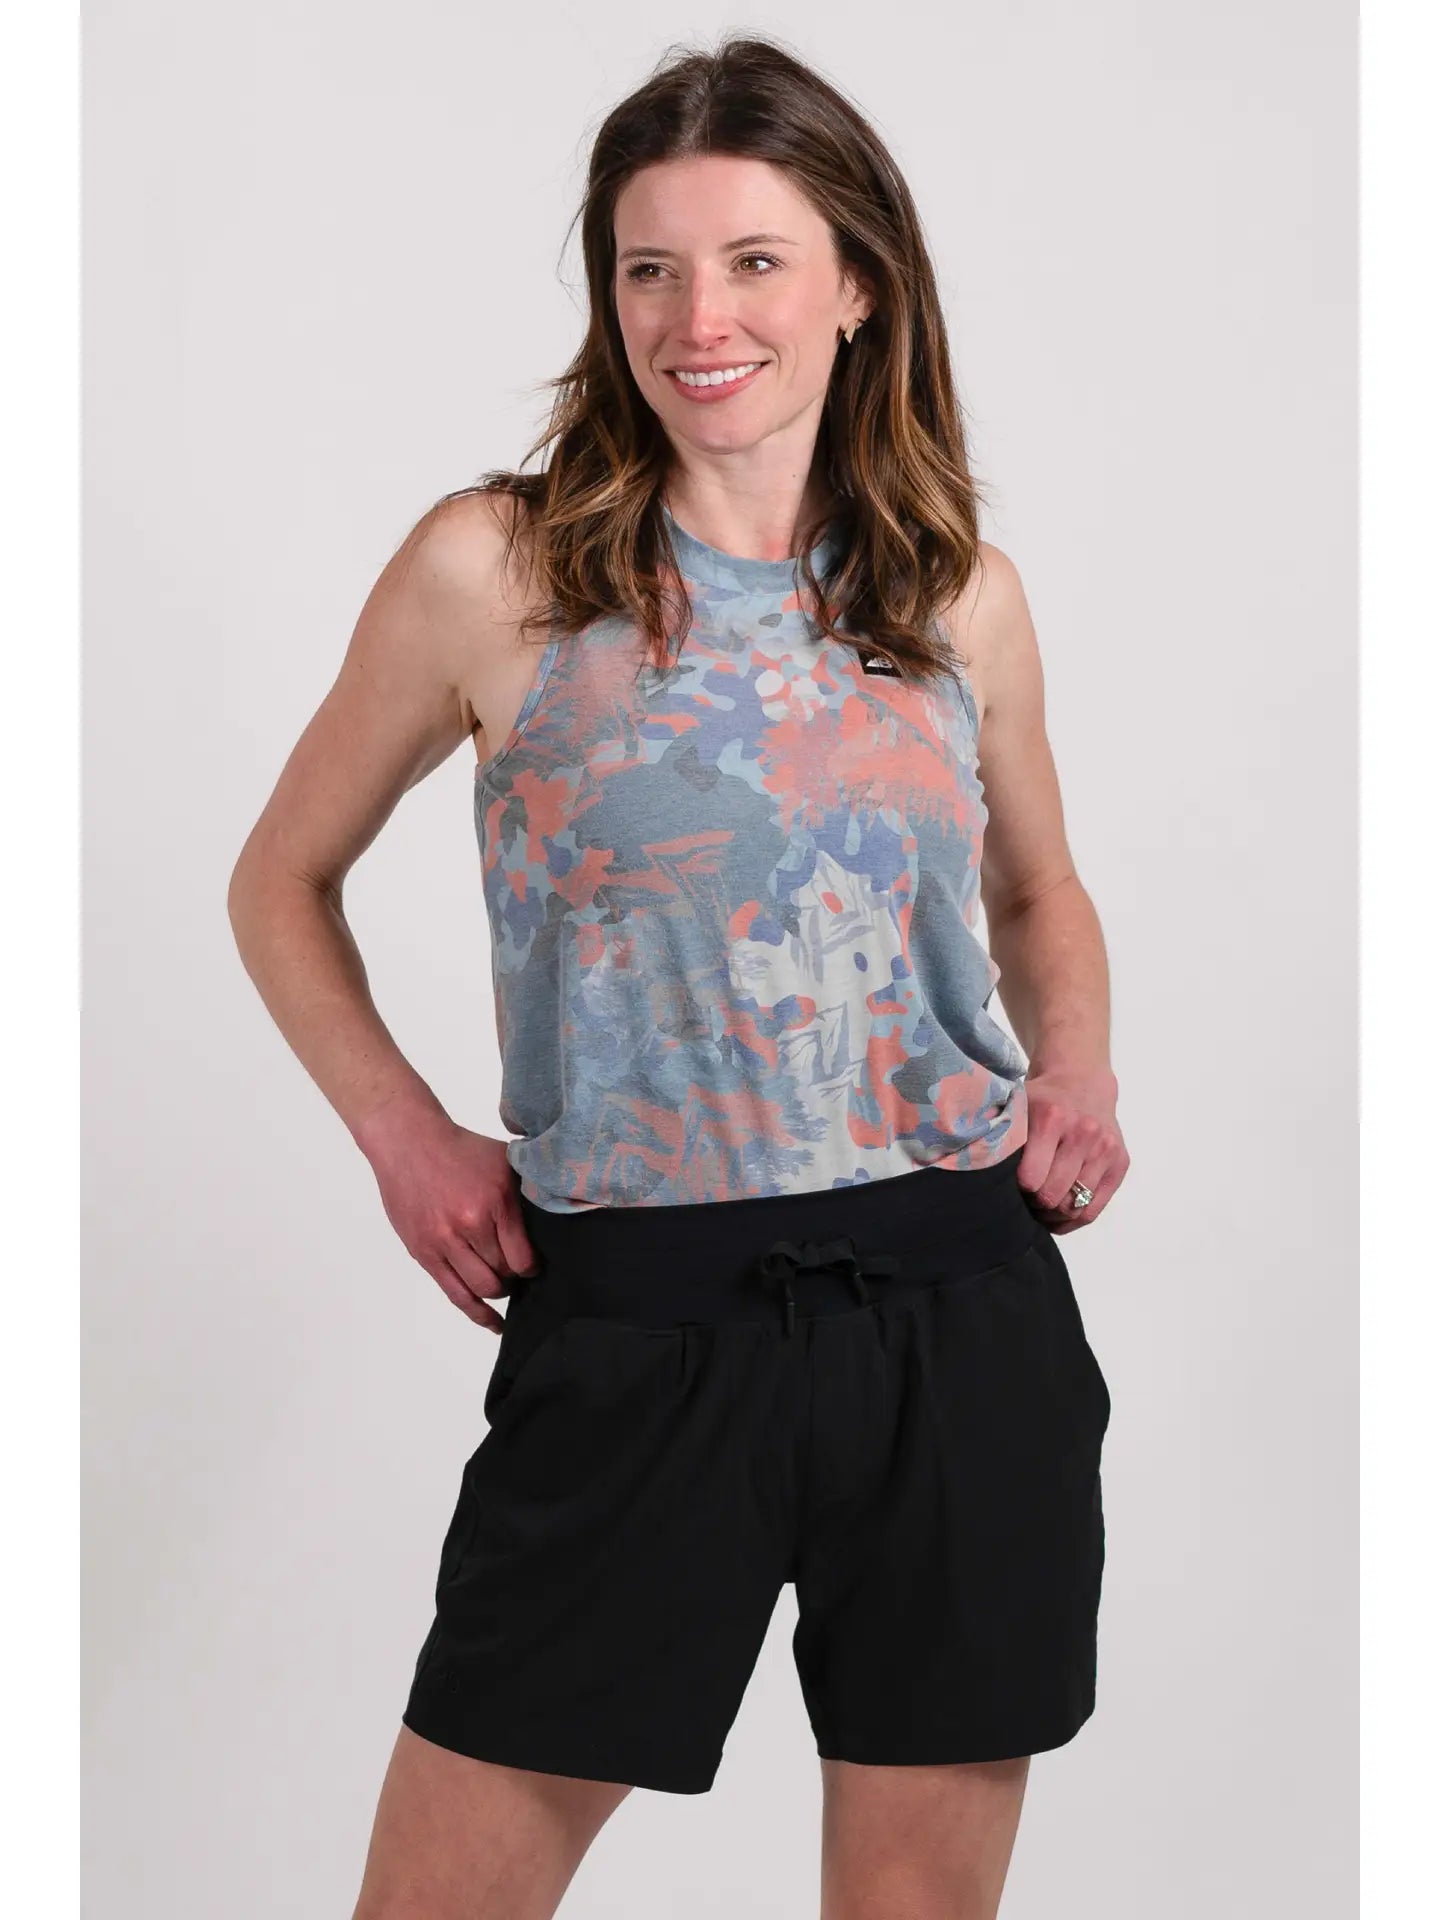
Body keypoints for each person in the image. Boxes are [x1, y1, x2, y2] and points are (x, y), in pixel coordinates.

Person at [228, 33, 1128, 1920]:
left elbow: (1040, 888)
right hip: (638, 1326)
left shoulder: (954, 590)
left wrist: (1080, 1070)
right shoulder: (497, 569)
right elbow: (280, 879)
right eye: (651, 267)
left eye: (753, 261)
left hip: (959, 1318)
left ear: (857, 284)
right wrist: (403, 1134)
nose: (697, 318)